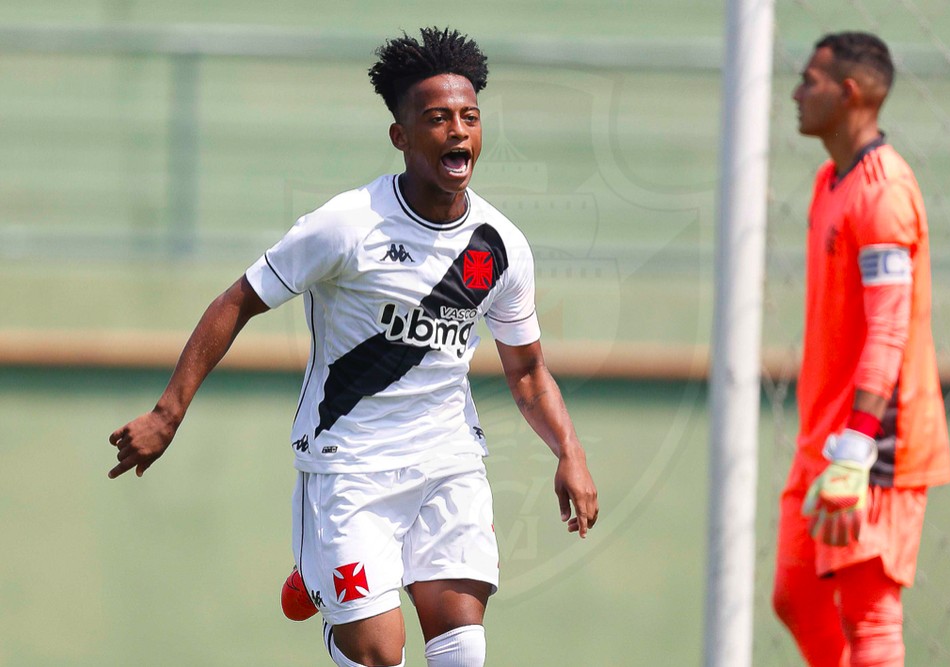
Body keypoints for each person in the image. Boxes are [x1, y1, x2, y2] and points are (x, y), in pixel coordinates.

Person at [108, 27, 598, 667]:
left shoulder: (500, 245)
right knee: (378, 657)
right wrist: (167, 414)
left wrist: (571, 452)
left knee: (463, 652)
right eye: (438, 119)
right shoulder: (348, 224)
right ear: (401, 136)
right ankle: (324, 574)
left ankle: (323, 574)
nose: (458, 132)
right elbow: (236, 301)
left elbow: (528, 372)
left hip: (448, 462)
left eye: (470, 118)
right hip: (349, 467)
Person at [771, 32, 950, 666]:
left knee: (871, 618)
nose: (795, 92)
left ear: (848, 93)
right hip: (823, 437)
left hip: (873, 442)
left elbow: (890, 329)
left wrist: (857, 447)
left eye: (809, 80)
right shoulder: (830, 180)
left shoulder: (884, 192)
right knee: (794, 595)